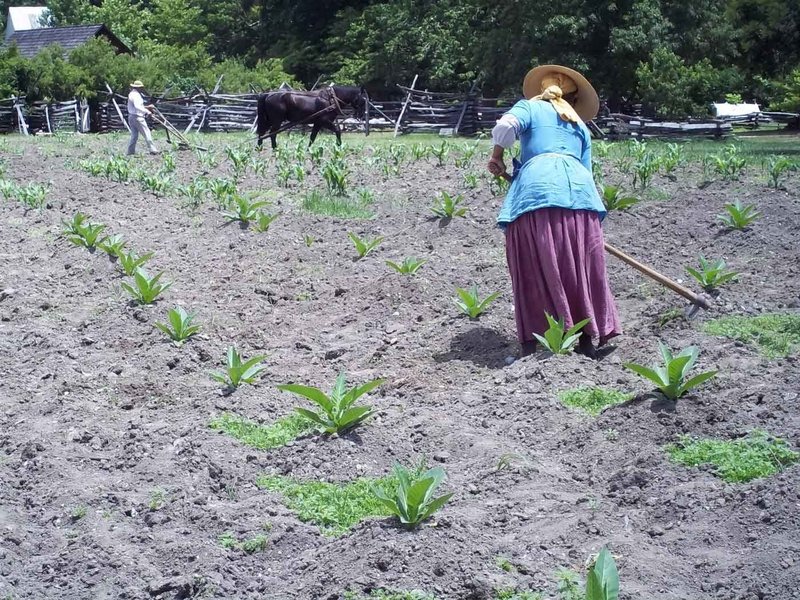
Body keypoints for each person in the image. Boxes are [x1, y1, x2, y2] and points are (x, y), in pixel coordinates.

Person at [487, 64, 621, 359]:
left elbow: (506, 127)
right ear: (573, 101)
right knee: (581, 267)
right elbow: (586, 171)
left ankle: (533, 344)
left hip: (537, 194)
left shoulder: (529, 108)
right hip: (581, 198)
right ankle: (586, 340)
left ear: (541, 92)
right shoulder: (580, 127)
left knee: (533, 264)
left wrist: (496, 156)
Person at [126, 80, 159, 155]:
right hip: (138, 117)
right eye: (141, 88)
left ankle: (130, 151)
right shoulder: (136, 95)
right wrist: (148, 112)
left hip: (131, 117)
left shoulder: (131, 94)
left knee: (134, 135)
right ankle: (153, 150)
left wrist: (147, 107)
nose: (142, 89)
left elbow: (137, 106)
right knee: (147, 132)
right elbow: (138, 107)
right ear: (138, 88)